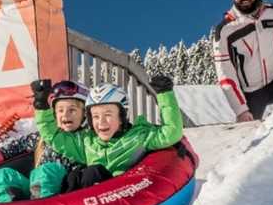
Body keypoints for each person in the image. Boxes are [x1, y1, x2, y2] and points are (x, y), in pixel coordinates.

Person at [33, 74, 183, 188]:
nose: (101, 122)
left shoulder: (138, 137)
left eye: (108, 115)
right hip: (87, 203)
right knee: (77, 176)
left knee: (93, 172)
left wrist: (165, 95)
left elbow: (171, 133)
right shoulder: (86, 143)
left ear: (122, 115)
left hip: (123, 194)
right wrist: (41, 105)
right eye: (96, 116)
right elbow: (53, 136)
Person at [0, 80, 89, 203]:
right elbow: (20, 144)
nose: (65, 115)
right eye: (60, 110)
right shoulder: (43, 137)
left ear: (84, 114)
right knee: (3, 175)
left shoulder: (85, 138)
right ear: (54, 114)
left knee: (46, 171)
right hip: (36, 186)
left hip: (64, 190)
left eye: (72, 110)